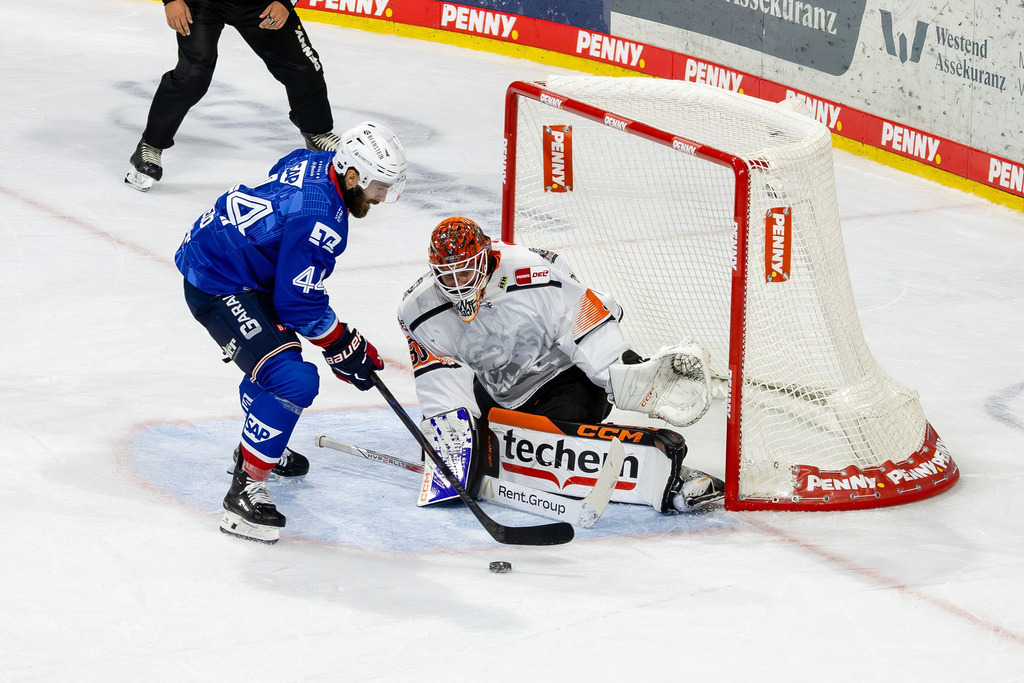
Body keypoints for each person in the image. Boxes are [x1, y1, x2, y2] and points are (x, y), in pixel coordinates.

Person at [175, 121, 408, 543]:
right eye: (380, 187)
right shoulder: (323, 220)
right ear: (352, 175)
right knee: (292, 379)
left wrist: (338, 344)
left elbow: (283, 175)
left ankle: (258, 442)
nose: (381, 197)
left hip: (233, 262)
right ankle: (244, 491)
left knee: (277, 360)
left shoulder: (316, 161)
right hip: (217, 281)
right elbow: (297, 304)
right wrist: (341, 345)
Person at [397, 217, 725, 515]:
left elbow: (585, 323)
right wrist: (449, 442)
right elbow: (439, 380)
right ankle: (524, 444)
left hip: (565, 379)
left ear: (486, 257)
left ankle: (665, 477)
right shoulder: (418, 311)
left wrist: (629, 378)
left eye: (465, 270)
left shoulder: (534, 272)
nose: (457, 283)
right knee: (487, 437)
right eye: (446, 275)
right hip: (499, 390)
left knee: (551, 440)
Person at [126, 0, 340, 191]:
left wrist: (285, 2)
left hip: (259, 4)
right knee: (192, 75)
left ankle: (317, 133)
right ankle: (150, 146)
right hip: (201, 3)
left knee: (303, 69)